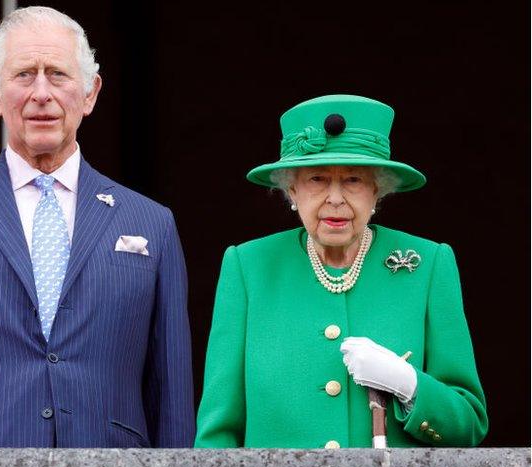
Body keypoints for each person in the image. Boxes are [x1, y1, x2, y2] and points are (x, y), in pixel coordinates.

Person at [0, 6, 194, 448]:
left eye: (58, 75)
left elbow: (171, 398)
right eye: (24, 74)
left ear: (90, 93)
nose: (41, 92)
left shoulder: (151, 224)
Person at [195, 94, 487, 448]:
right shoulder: (249, 267)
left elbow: (469, 424)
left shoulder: (428, 265)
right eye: (317, 179)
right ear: (292, 190)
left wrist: (409, 384)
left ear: (377, 191)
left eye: (353, 180)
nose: (335, 198)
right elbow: (218, 433)